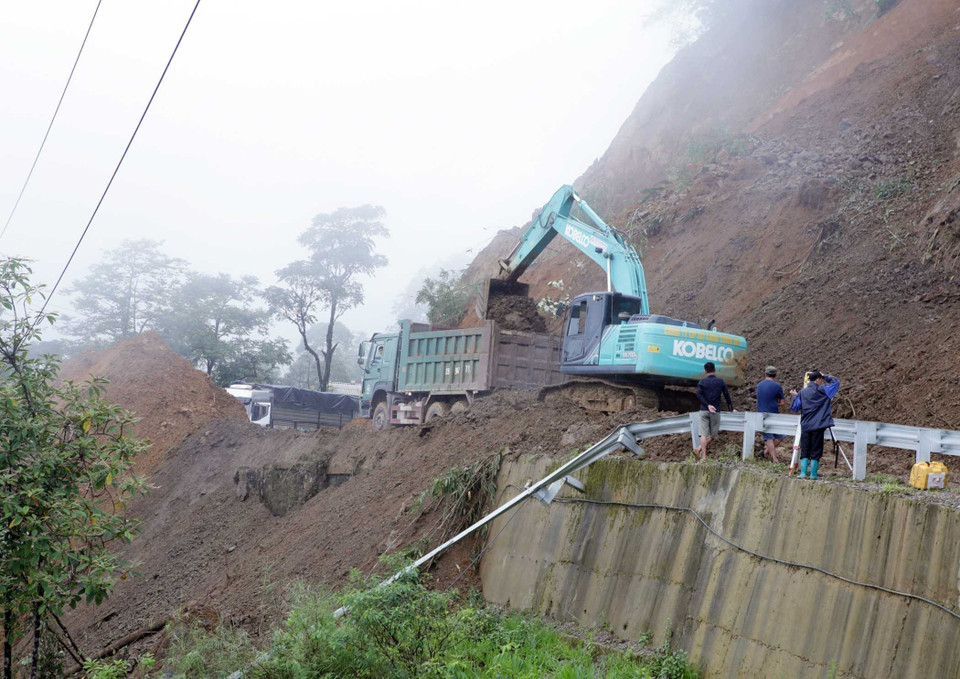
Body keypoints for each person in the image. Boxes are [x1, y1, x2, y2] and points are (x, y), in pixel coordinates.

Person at [790, 370, 841, 479]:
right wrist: (825, 376)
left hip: (806, 425)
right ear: (818, 379)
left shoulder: (802, 392)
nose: (822, 382)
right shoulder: (824, 390)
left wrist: (794, 396)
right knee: (816, 450)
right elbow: (836, 382)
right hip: (818, 425)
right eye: (821, 379)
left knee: (805, 449)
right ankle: (813, 474)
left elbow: (795, 407)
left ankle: (803, 473)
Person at [695, 361, 735, 461]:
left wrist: (707, 405)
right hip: (715, 410)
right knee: (712, 435)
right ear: (715, 370)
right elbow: (727, 395)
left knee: (703, 434)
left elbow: (699, 395)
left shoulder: (702, 382)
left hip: (704, 409)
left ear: (705, 371)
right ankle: (699, 449)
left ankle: (703, 455)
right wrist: (731, 408)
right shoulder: (720, 381)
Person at [756, 366, 786, 463]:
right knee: (780, 436)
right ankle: (774, 459)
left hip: (762, 414)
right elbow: (782, 403)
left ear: (765, 374)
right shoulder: (777, 386)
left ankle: (765, 453)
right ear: (775, 375)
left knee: (769, 437)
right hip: (774, 414)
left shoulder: (759, 385)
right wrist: (775, 403)